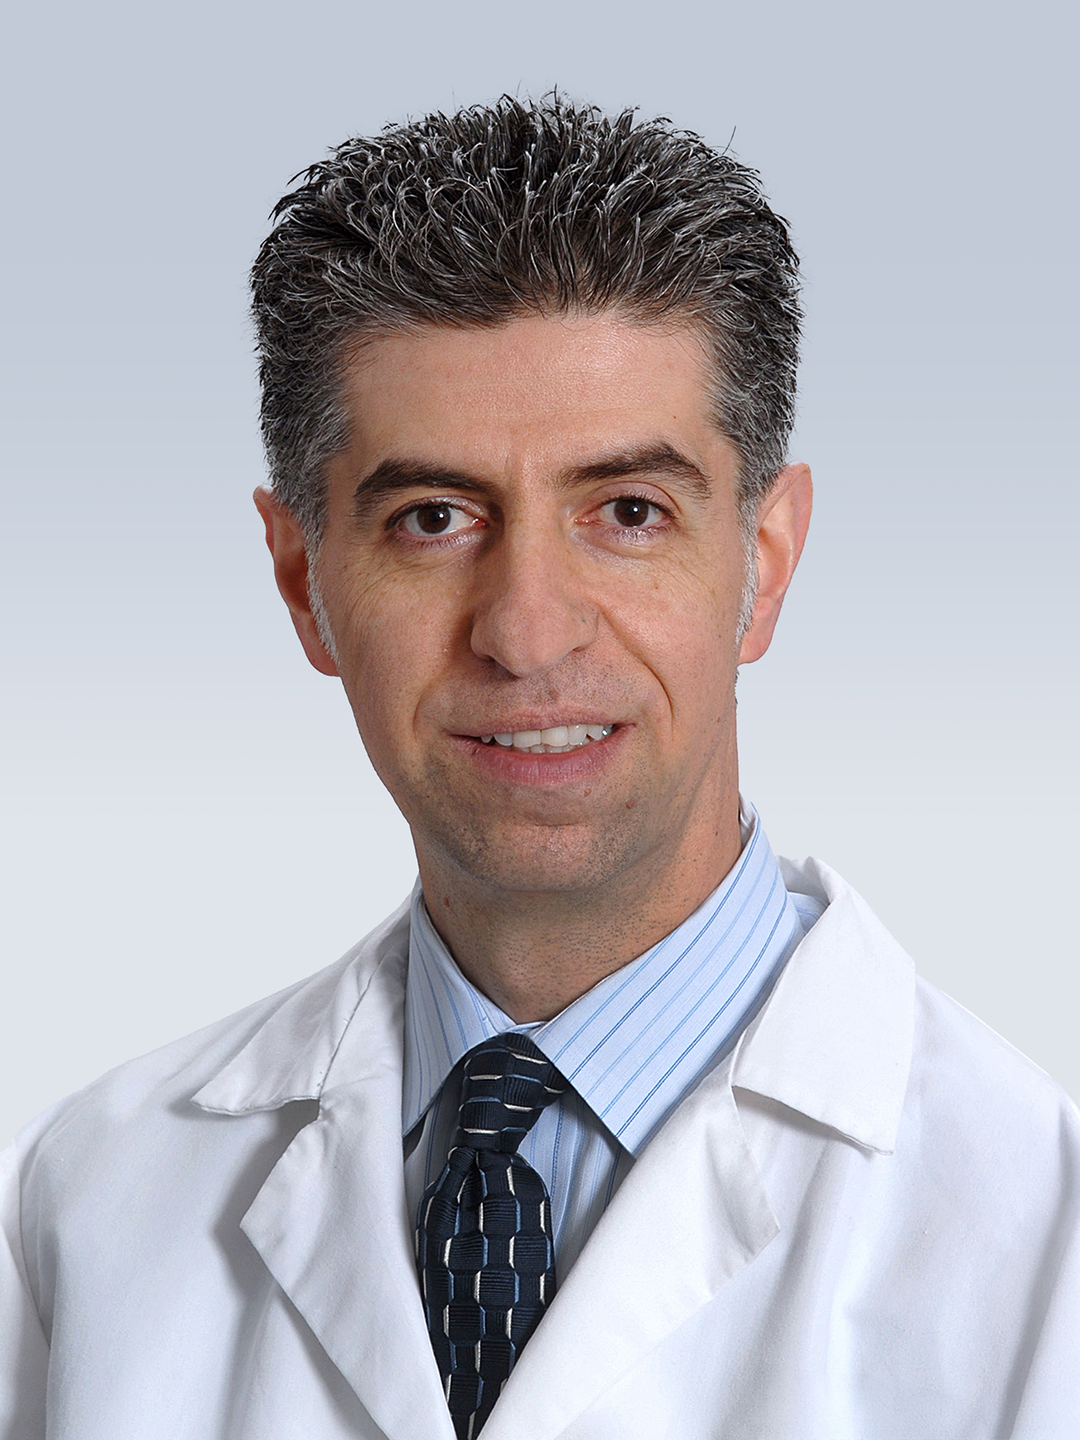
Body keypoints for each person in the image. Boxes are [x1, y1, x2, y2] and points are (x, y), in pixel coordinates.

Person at [1, 94, 1077, 1440]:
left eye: (627, 511)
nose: (525, 630)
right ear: (300, 581)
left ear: (765, 563)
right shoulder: (98, 1198)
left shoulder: (1040, 1236)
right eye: (432, 518)